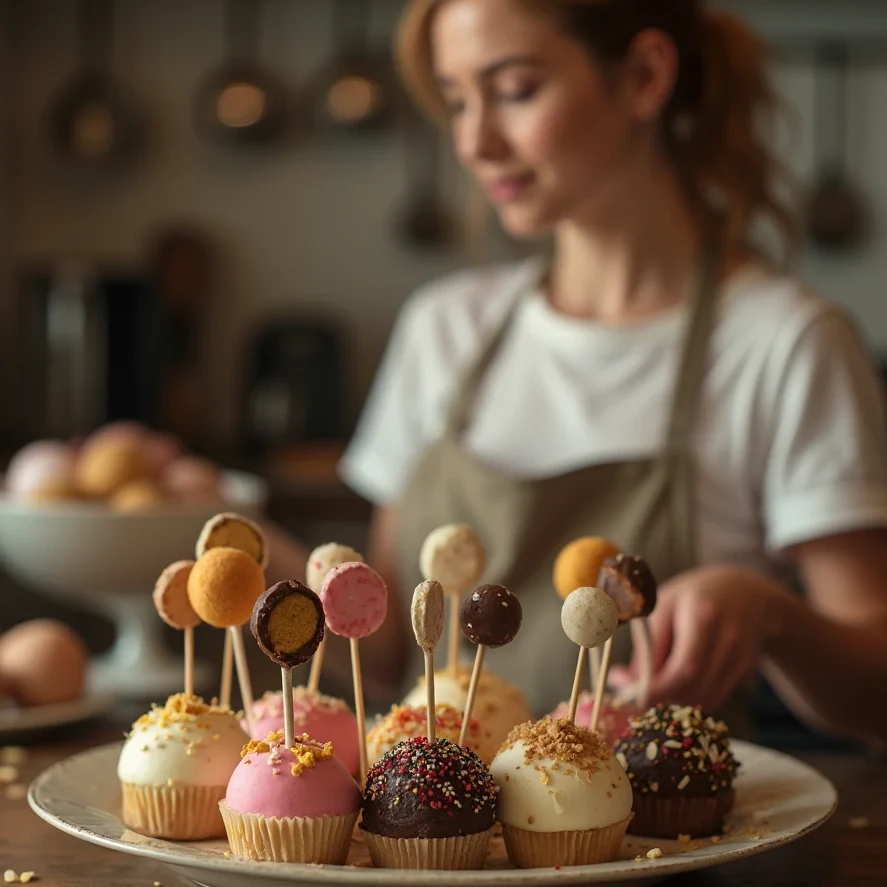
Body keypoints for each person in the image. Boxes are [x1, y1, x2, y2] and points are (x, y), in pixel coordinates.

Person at [326, 0, 887, 745]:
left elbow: (877, 696)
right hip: (426, 844)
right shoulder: (444, 328)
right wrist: (250, 555)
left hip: (662, 848)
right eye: (457, 100)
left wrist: (768, 612)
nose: (474, 140)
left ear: (644, 78)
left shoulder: (783, 344)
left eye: (515, 90)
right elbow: (389, 646)